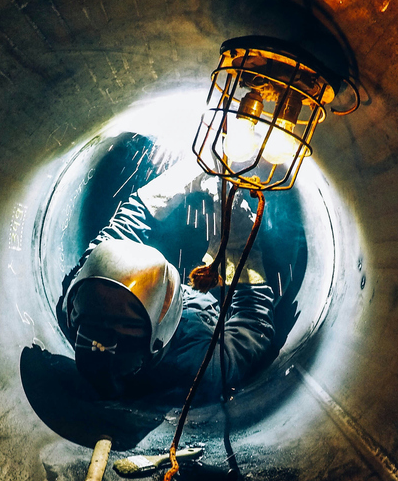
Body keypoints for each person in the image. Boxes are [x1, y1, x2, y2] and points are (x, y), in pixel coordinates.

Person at [57, 145, 276, 401]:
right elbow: (253, 316)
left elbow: (115, 236)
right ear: (159, 328)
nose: (112, 299)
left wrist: (187, 174)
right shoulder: (204, 366)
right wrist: (238, 238)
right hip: (202, 311)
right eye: (127, 315)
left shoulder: (74, 306)